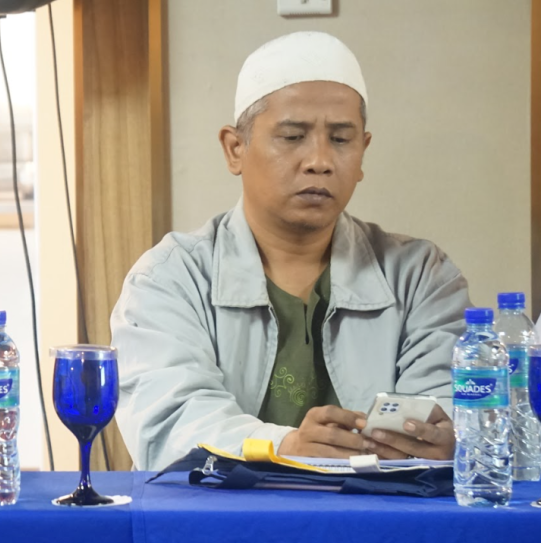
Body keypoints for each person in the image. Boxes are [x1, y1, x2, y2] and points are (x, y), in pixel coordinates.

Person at [111, 31, 472, 471]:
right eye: (292, 136)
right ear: (235, 148)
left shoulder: (419, 277)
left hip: (379, 514)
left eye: (341, 139)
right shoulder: (170, 278)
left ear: (362, 152)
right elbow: (170, 424)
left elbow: (451, 405)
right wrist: (285, 447)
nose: (319, 160)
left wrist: (444, 438)